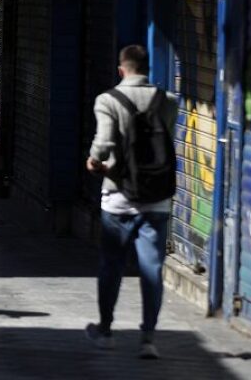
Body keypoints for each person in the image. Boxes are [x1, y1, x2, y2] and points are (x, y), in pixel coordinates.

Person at [83, 44, 178, 360]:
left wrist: (94, 161)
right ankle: (148, 338)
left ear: (121, 69)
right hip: (157, 197)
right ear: (146, 68)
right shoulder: (167, 101)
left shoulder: (108, 100)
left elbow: (104, 142)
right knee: (152, 268)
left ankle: (106, 331)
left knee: (112, 264)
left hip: (119, 195)